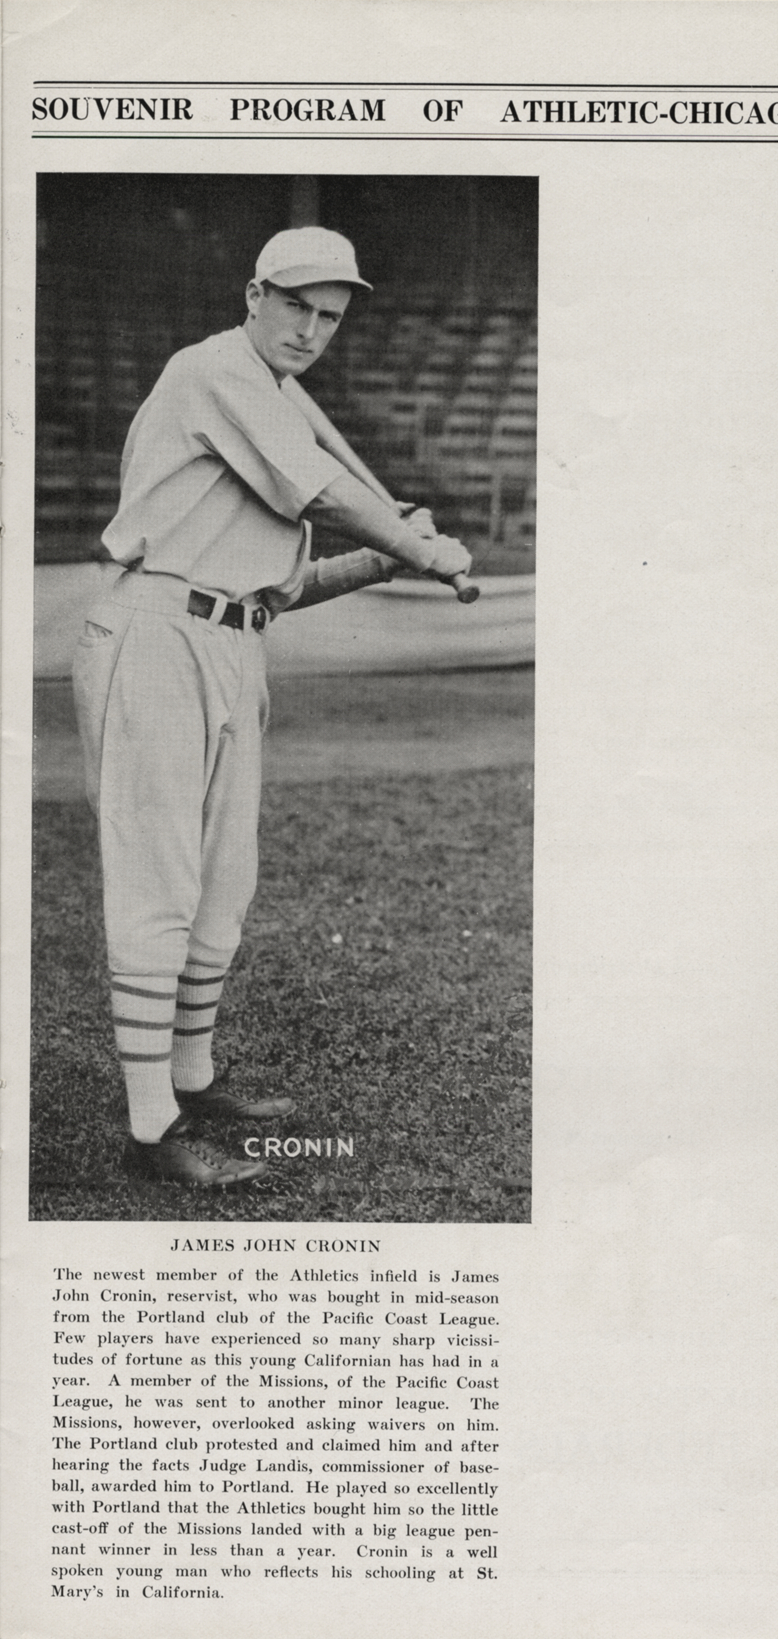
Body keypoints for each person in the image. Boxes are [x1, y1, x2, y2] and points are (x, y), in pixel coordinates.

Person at [72, 226, 472, 1188]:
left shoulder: (278, 406)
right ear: (254, 294)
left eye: (330, 315)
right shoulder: (212, 370)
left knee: (224, 881)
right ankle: (147, 1128)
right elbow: (332, 493)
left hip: (232, 636)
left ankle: (192, 1076)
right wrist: (425, 552)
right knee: (159, 874)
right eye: (295, 303)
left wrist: (381, 558)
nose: (310, 328)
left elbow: (284, 585)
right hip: (155, 634)